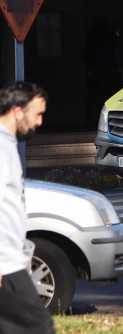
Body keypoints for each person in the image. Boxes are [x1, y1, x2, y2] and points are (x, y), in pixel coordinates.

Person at [0, 82, 55, 334]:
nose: (40, 122)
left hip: (11, 260)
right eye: (38, 114)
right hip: (5, 265)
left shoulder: (7, 144)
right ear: (18, 111)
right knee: (39, 327)